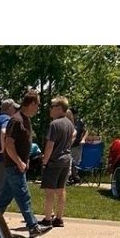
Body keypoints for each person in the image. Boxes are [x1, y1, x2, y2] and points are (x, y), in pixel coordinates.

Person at [0, 90, 51, 238]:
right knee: (23, 196)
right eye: (38, 105)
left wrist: (25, 160)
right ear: (32, 103)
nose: (38, 108)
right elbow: (9, 145)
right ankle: (33, 227)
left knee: (3, 199)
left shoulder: (26, 120)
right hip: (14, 166)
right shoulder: (16, 120)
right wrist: (19, 161)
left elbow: (25, 144)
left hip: (18, 165)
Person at [39, 96, 76, 228]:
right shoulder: (70, 124)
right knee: (61, 190)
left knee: (50, 191)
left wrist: (44, 161)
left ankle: (48, 218)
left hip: (54, 161)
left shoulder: (54, 124)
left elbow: (50, 145)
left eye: (52, 106)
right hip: (66, 160)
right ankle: (59, 218)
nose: (50, 109)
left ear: (60, 109)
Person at [67, 107, 87, 185]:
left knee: (75, 163)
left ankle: (74, 177)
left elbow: (86, 131)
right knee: (69, 162)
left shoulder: (79, 122)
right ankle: (72, 177)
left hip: (77, 145)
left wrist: (83, 139)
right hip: (68, 146)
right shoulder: (67, 121)